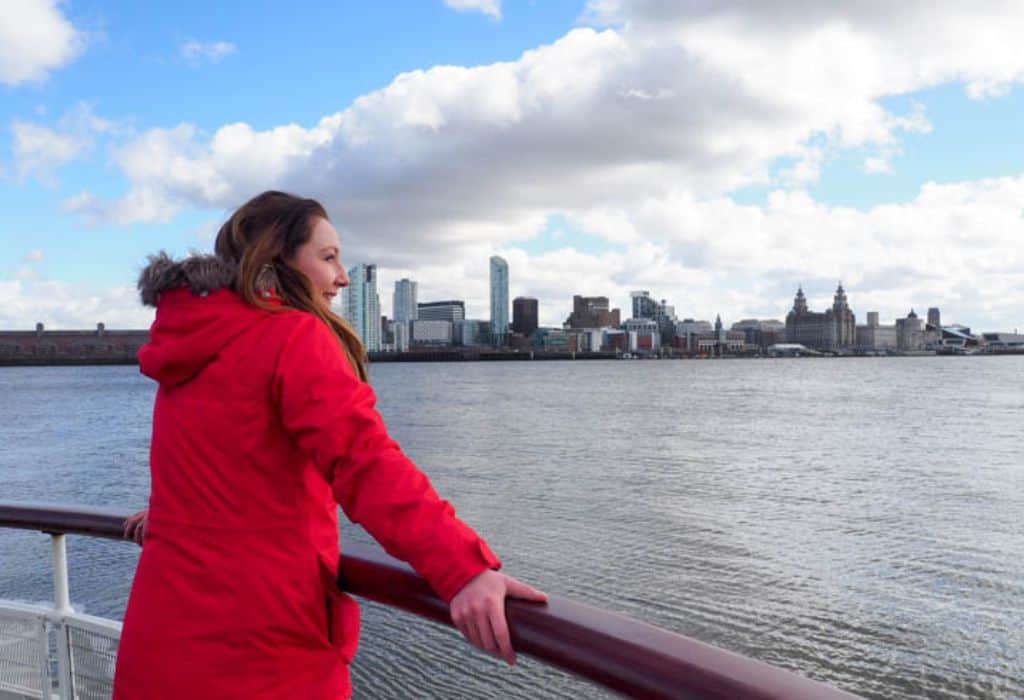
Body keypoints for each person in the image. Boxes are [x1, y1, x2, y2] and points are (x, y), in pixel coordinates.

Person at [113, 191, 546, 699]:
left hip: (162, 640)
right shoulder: (292, 336)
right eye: (327, 257)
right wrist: (464, 568)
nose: (342, 276)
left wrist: (171, 514)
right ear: (277, 259)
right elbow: (366, 464)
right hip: (261, 653)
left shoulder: (191, 343)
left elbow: (211, 457)